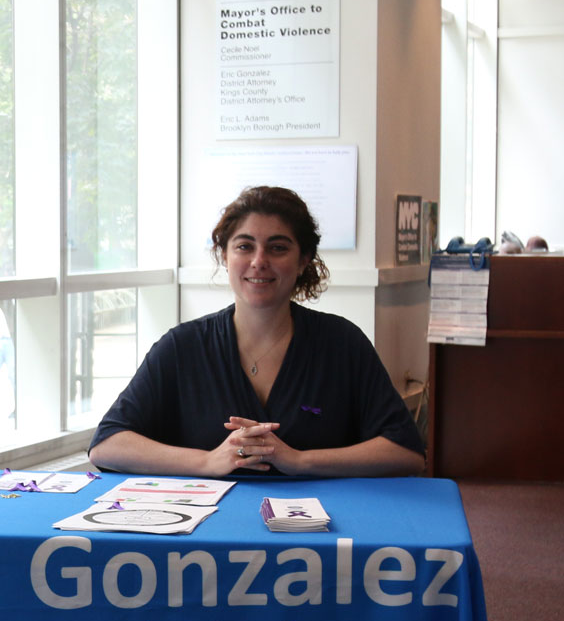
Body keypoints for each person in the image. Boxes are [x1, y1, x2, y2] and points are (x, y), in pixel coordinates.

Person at [88, 186, 426, 478]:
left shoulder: (342, 344)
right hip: (208, 528)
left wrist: (299, 460)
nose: (259, 260)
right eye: (244, 246)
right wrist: (207, 461)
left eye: (278, 248)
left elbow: (406, 452)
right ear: (224, 255)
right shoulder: (182, 347)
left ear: (303, 260)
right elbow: (107, 444)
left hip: (320, 524)